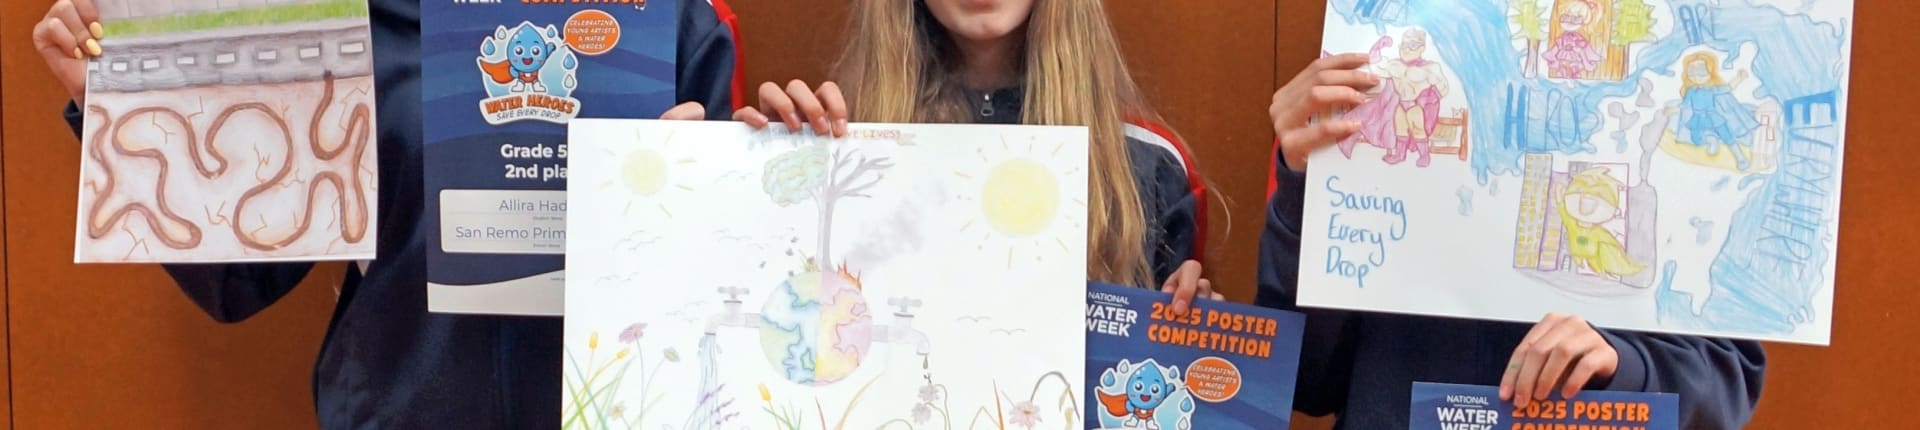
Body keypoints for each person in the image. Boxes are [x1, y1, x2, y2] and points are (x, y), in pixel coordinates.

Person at [32, 0, 743, 427]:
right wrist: (119, 105)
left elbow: (725, 288)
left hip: (619, 412)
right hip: (396, 413)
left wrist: (754, 168)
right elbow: (239, 276)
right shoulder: (338, 18)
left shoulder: (677, 19)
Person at [1259, 54, 1766, 428]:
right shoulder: (1358, 99)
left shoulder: (1650, 120)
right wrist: (1308, 190)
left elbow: (1725, 388)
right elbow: (1303, 381)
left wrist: (1622, 365)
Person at [734, 0, 1221, 307]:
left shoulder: (1146, 163)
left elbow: (1167, 390)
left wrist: (1191, 324)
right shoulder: (842, 148)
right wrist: (754, 174)